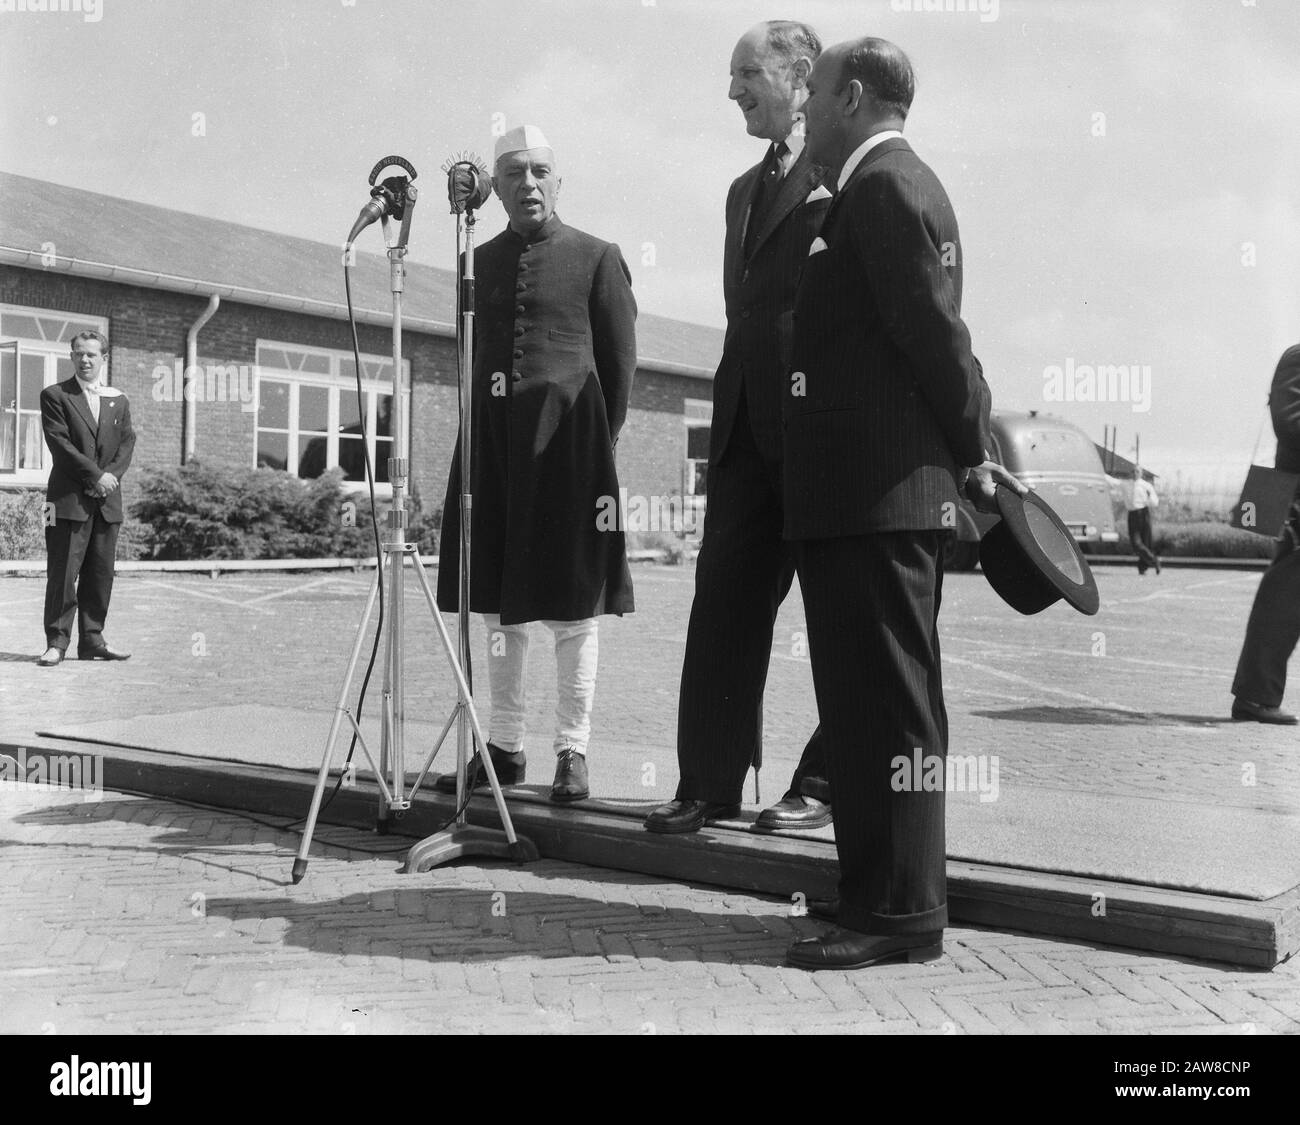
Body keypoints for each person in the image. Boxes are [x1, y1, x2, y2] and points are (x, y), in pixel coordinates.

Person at [782, 36, 1023, 969]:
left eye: (815, 94)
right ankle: (871, 901)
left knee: (890, 710)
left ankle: (903, 914)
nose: (804, 112)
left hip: (881, 496)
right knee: (863, 709)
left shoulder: (884, 189)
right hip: (859, 497)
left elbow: (937, 337)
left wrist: (977, 452)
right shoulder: (881, 189)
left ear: (850, 96)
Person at [645, 20, 835, 837]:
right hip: (744, 443)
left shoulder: (850, 176)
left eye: (746, 74)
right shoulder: (738, 193)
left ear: (801, 79)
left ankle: (828, 781)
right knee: (721, 604)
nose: (731, 92)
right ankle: (710, 782)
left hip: (825, 436)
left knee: (841, 617)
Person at [434, 125, 638, 803]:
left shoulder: (597, 256)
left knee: (575, 608)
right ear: (495, 185)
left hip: (572, 453)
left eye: (541, 170)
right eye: (514, 172)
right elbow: (468, 354)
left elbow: (620, 367)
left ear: (559, 180)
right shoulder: (476, 263)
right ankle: (506, 745)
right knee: (500, 608)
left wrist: (589, 448)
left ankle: (572, 751)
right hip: (493, 451)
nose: (528, 183)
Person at [38, 330, 135, 666]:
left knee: (100, 574)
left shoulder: (118, 400)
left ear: (104, 358)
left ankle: (93, 641)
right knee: (63, 573)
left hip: (107, 502)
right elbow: (60, 445)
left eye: (92, 354)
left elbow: (126, 445)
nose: (85, 359)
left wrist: (110, 479)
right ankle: (56, 643)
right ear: (72, 356)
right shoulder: (55, 396)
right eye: (79, 353)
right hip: (66, 501)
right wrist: (96, 477)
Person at [1230, 344, 1300, 725]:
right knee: (1285, 599)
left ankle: (1256, 695)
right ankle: (1255, 697)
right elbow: (1289, 421)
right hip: (1298, 492)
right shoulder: (1298, 357)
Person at [1122, 468, 1160, 574]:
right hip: (1132, 514)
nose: (1134, 473)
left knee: (1145, 541)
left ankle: (1142, 567)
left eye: (1137, 471)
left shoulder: (1146, 485)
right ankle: (1154, 560)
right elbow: (1112, 481)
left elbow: (1155, 502)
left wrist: (1148, 499)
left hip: (1143, 512)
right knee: (1136, 543)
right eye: (1133, 471)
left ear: (1141, 473)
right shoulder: (1126, 484)